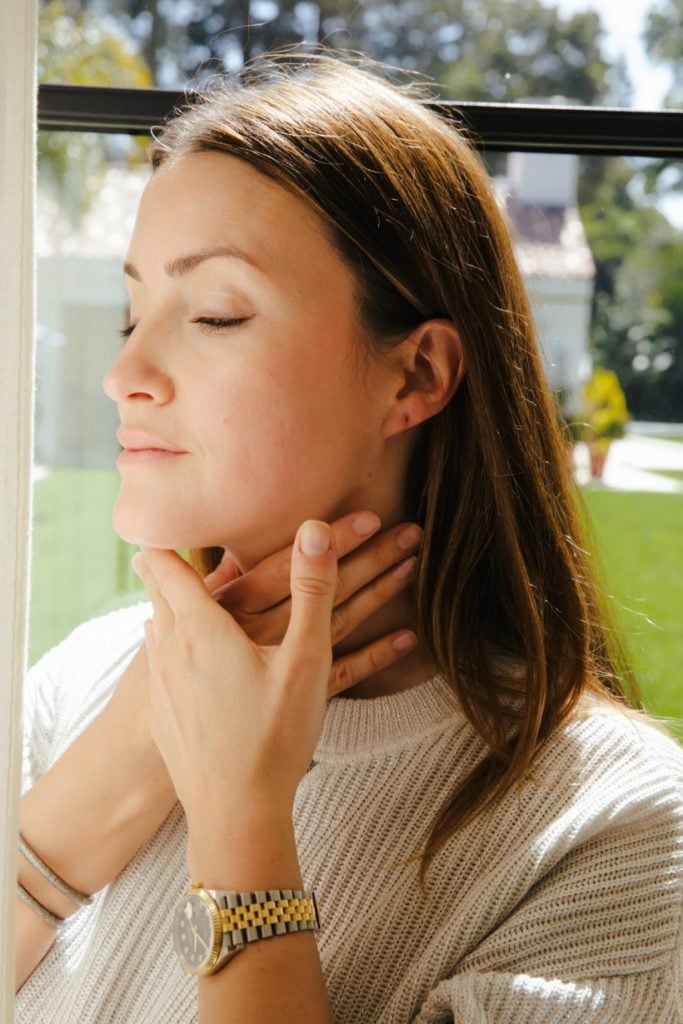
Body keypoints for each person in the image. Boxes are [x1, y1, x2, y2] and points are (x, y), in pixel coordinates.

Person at [14, 51, 683, 1023]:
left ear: (413, 375)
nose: (125, 371)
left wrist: (242, 819)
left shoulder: (613, 828)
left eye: (214, 312)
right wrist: (96, 797)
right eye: (131, 310)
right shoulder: (89, 682)